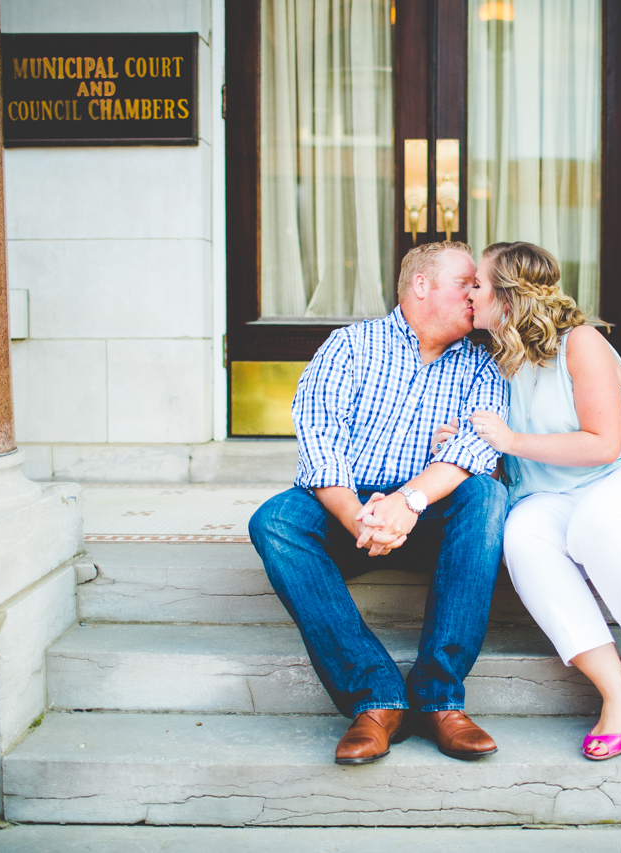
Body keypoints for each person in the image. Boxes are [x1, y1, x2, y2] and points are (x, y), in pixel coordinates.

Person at [248, 242, 509, 766]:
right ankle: (377, 698)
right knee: (275, 520)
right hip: (353, 508)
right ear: (421, 286)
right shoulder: (350, 346)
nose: (479, 296)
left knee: (487, 494)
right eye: (468, 284)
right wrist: (359, 517)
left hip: (430, 507)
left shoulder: (484, 362)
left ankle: (439, 698)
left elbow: (477, 447)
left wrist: (408, 503)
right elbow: (320, 441)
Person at [436, 241, 621, 760]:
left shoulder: (582, 342)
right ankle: (618, 691)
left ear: (507, 298)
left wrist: (510, 441)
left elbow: (604, 443)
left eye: (478, 285)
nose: (470, 294)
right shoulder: (497, 360)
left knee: (598, 521)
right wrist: (466, 438)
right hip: (552, 497)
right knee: (522, 533)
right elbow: (511, 452)